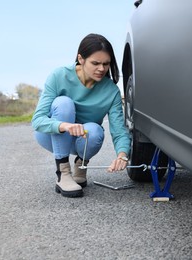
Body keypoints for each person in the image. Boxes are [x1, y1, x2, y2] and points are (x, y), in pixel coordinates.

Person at [32, 33, 131, 198]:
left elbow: (119, 130)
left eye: (106, 64)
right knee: (64, 103)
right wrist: (65, 125)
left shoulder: (111, 91)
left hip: (82, 142)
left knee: (95, 130)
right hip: (50, 136)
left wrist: (122, 155)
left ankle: (81, 166)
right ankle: (63, 173)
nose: (101, 69)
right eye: (95, 63)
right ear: (81, 58)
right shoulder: (59, 76)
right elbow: (38, 121)